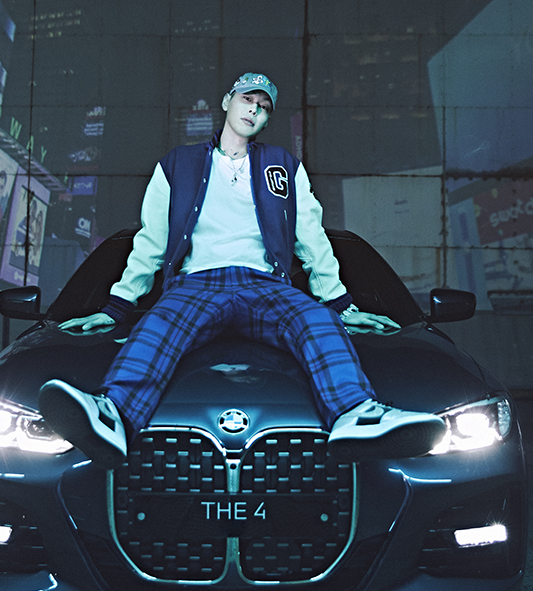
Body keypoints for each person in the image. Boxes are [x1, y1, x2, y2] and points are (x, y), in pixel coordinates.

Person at [39, 72, 445, 469]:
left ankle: (357, 415)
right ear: (227, 102)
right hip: (197, 283)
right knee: (158, 324)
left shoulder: (283, 166)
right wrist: (116, 307)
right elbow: (150, 242)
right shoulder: (177, 164)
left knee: (316, 320)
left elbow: (311, 237)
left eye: (264, 107)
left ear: (267, 120)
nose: (254, 110)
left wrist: (341, 304)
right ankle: (111, 415)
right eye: (247, 100)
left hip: (264, 284)